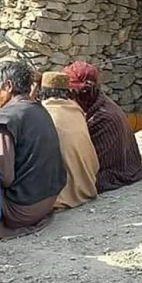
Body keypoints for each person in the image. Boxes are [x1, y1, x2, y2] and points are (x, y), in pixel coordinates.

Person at [0, 61, 66, 238]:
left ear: (8, 86)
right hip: (48, 200)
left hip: (22, 209)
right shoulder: (38, 108)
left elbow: (5, 178)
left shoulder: (6, 117)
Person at [64, 61, 142, 193]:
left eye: (70, 93)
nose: (68, 97)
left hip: (113, 172)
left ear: (82, 92)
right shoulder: (98, 102)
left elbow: (89, 164)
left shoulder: (102, 117)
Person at [39, 72, 99, 210]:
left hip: (63, 194)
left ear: (42, 92)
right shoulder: (76, 110)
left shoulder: (43, 114)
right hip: (87, 187)